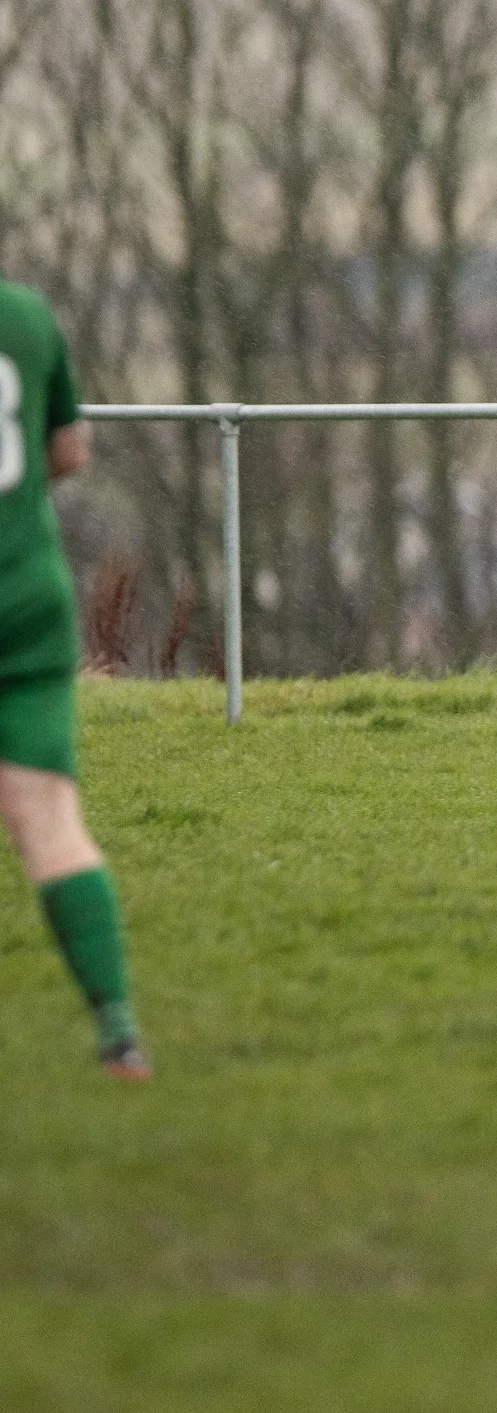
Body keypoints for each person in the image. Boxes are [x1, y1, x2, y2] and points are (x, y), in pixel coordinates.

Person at [0, 276, 149, 1079]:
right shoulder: (24, 316)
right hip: (25, 600)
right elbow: (69, 452)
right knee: (50, 820)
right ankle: (118, 1031)